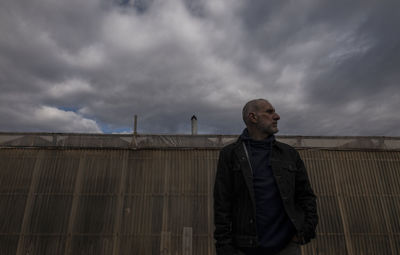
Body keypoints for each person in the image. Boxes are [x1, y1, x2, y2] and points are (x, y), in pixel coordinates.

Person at [213, 99, 318, 255]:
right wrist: (224, 246)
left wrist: (305, 230)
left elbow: (306, 196)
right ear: (253, 117)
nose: (277, 116)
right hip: (244, 248)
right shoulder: (231, 154)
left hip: (286, 247)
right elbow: (222, 203)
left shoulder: (289, 154)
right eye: (269, 112)